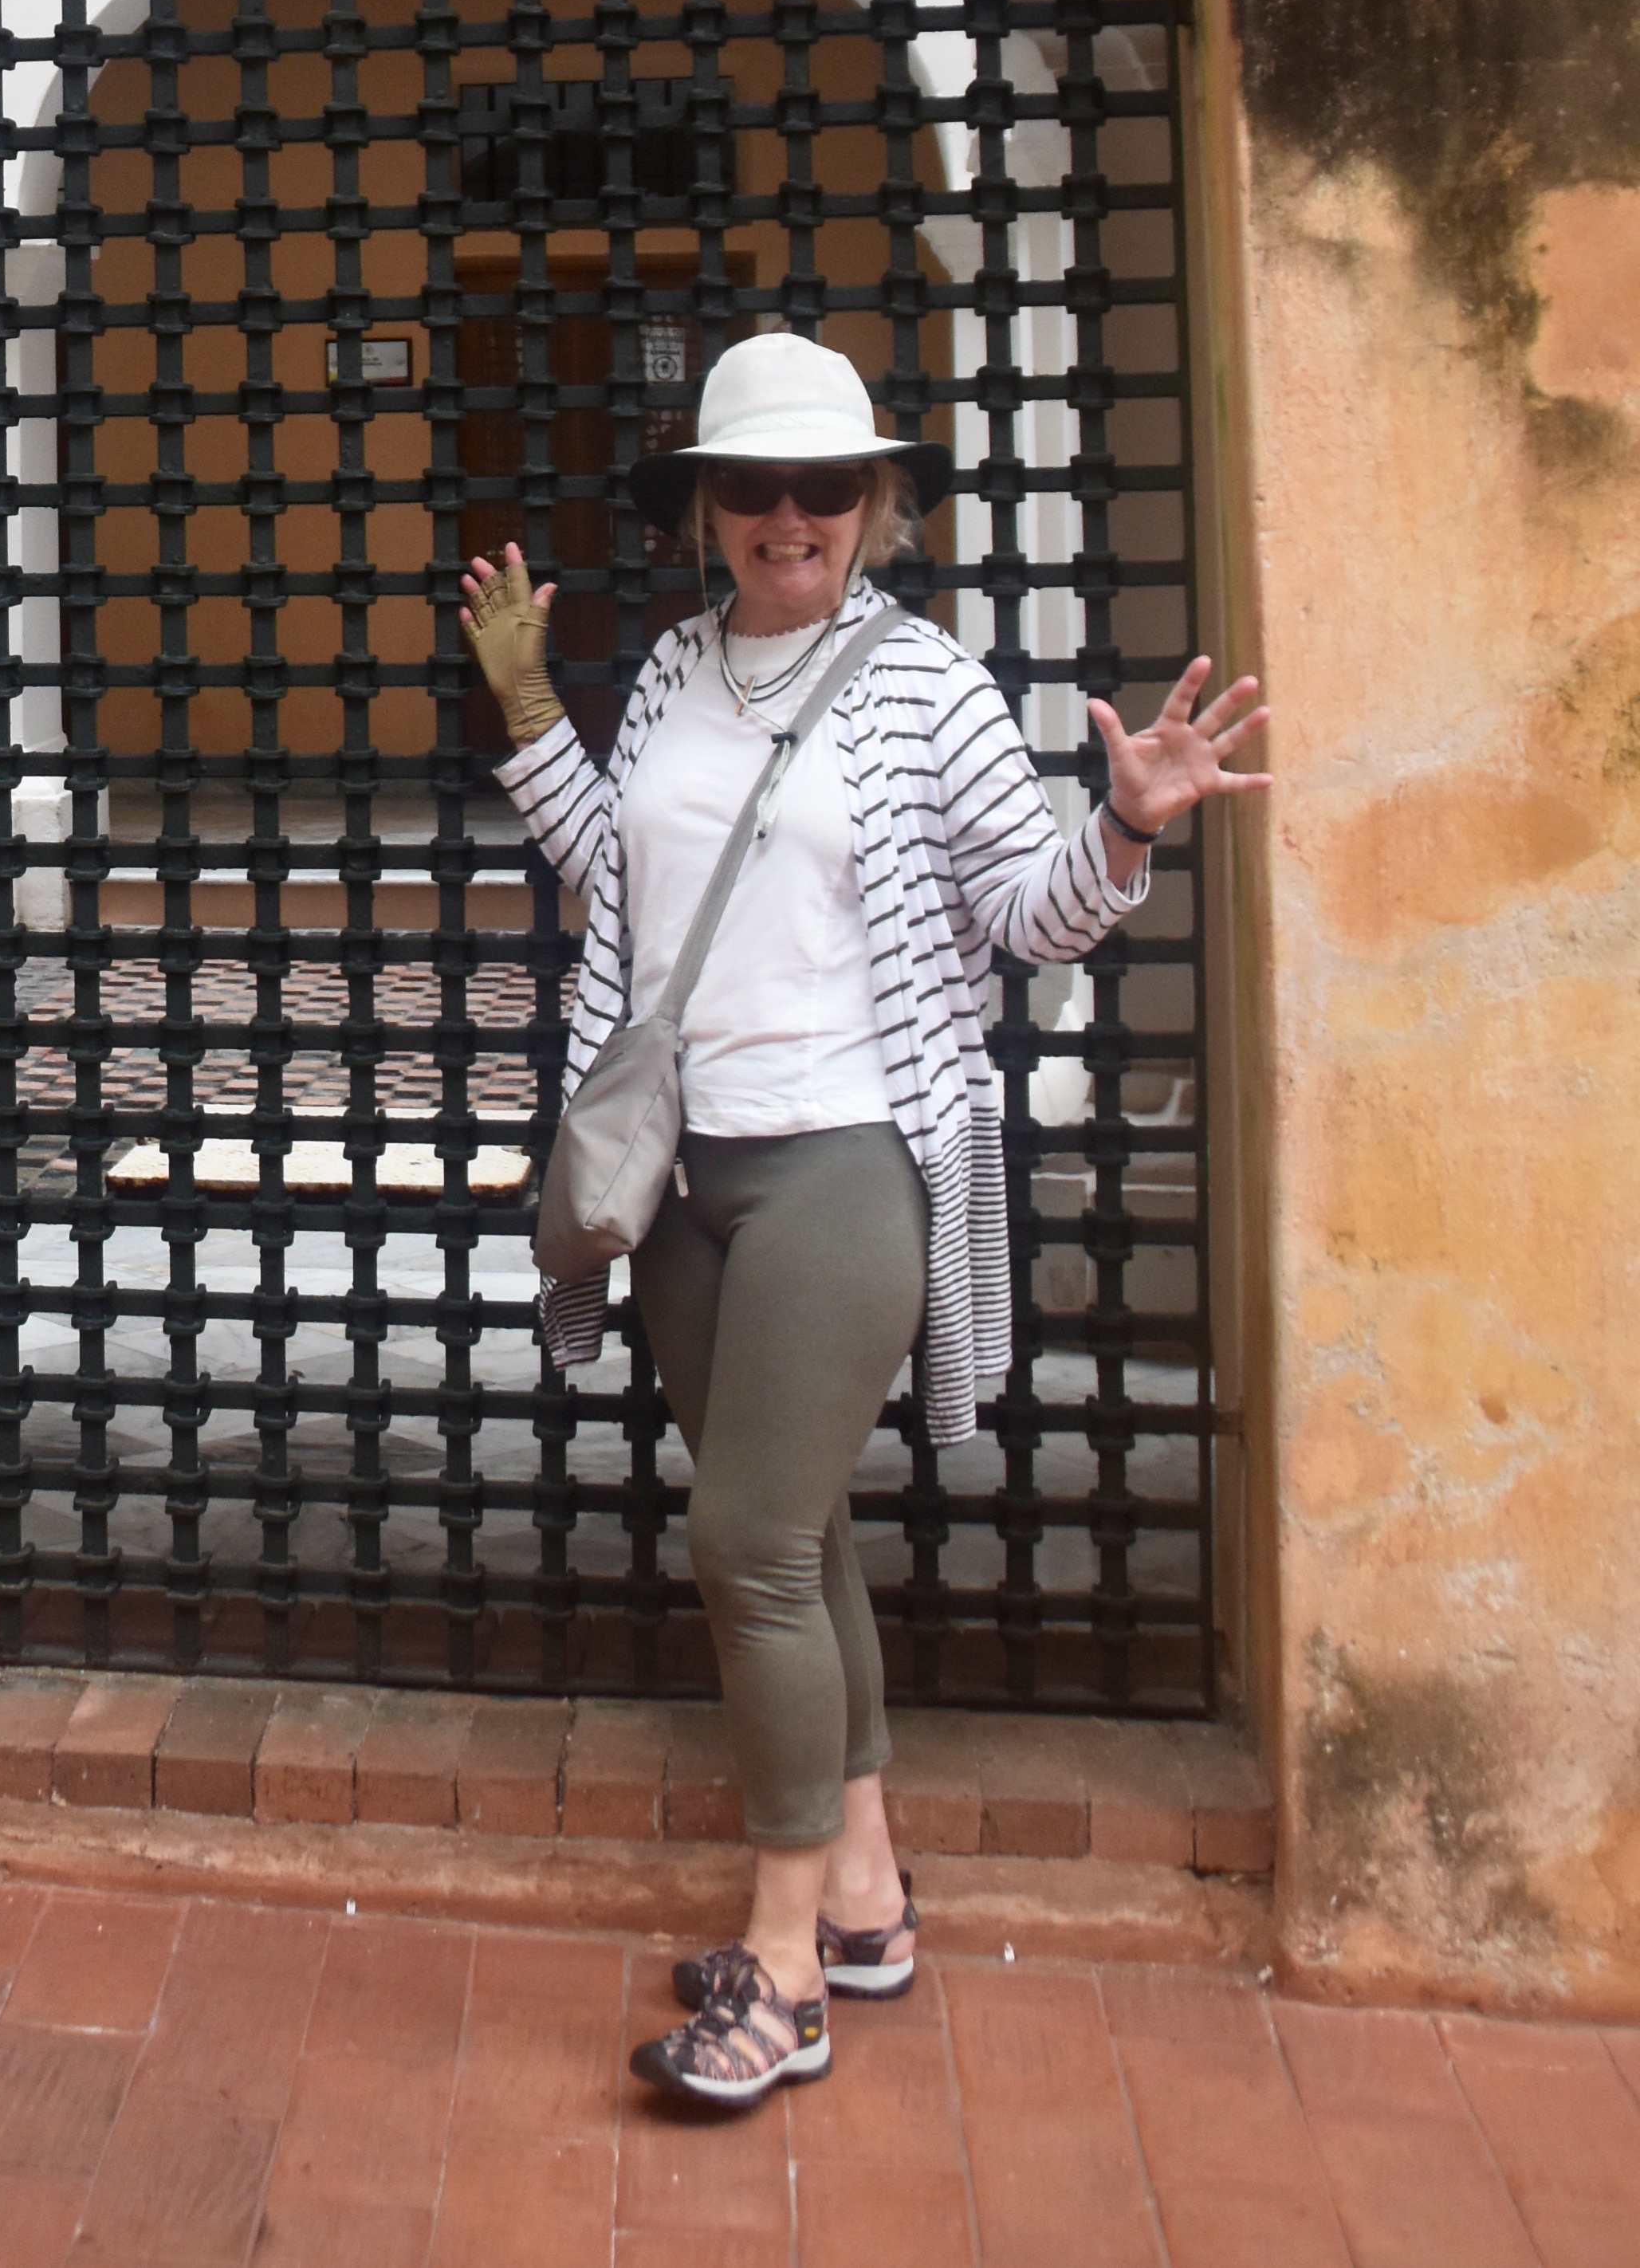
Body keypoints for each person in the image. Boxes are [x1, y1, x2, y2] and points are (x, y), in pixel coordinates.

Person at [460, 327, 1268, 2112]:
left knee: (742, 1541)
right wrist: (530, 715)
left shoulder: (922, 685)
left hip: (843, 1161)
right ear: (703, 513)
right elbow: (619, 886)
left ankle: (780, 1966)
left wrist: (1124, 835)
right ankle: (870, 1883)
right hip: (679, 1172)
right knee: (799, 1527)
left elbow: (1022, 909)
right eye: (748, 486)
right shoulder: (673, 668)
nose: (786, 516)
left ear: (874, 504)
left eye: (824, 486)